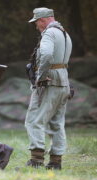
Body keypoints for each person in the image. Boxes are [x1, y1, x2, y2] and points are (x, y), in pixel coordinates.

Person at [24, 7, 72, 170]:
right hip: (63, 80)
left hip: (49, 81)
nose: (36, 25)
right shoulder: (64, 34)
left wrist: (41, 76)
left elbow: (45, 55)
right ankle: (55, 161)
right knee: (56, 122)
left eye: (36, 22)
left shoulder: (49, 34)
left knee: (34, 119)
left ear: (42, 20)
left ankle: (36, 160)